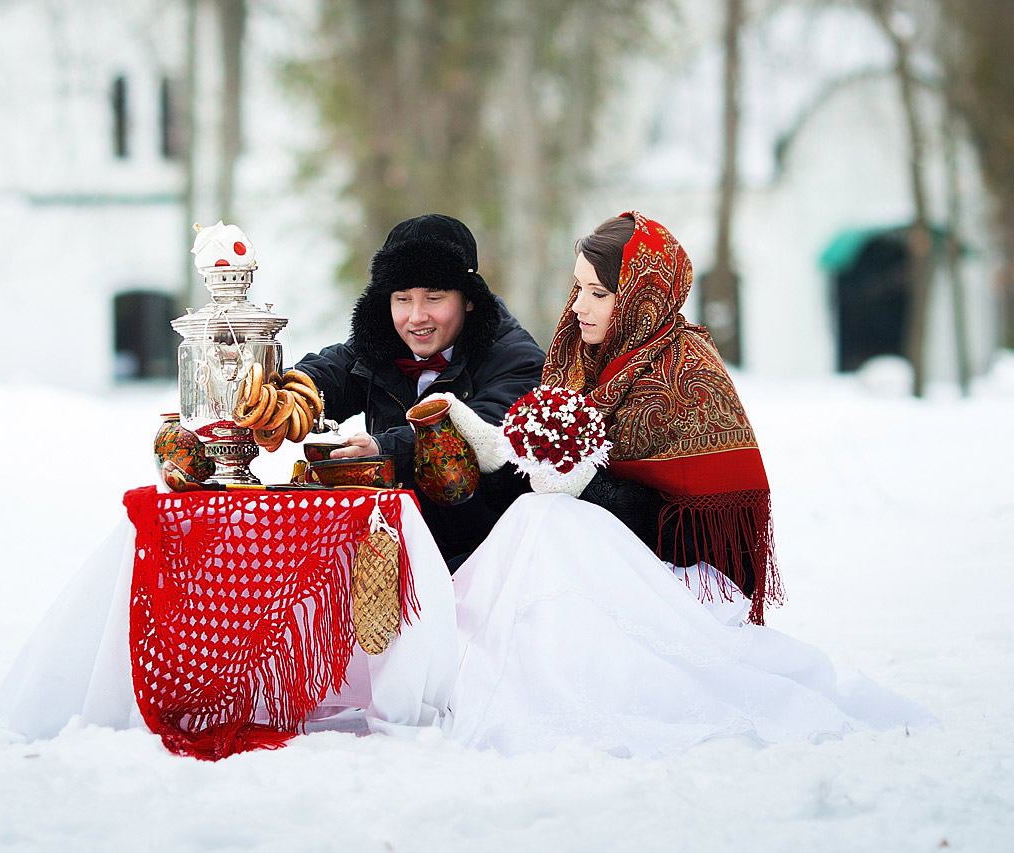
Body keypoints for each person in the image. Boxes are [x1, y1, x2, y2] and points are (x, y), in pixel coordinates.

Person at [432, 211, 933, 756]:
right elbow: (547, 465)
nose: (578, 307)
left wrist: (583, 488)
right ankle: (494, 663)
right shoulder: (576, 355)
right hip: (588, 560)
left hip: (674, 573)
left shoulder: (687, 371)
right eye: (577, 288)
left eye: (598, 293)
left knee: (550, 519)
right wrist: (503, 446)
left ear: (640, 297)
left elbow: (697, 529)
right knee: (539, 518)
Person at [293, 213, 545, 568]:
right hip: (393, 551)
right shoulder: (382, 344)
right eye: (402, 299)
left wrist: (382, 448)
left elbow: (472, 430)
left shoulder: (517, 357)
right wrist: (294, 393)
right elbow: (332, 369)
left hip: (489, 556)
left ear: (469, 300)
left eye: (434, 298)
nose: (416, 317)